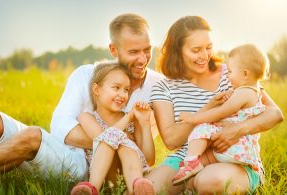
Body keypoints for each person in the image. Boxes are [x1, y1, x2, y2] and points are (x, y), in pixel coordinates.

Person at [0, 13, 163, 180]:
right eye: (133, 52)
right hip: (63, 151)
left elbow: (158, 149)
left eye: (147, 50)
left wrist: (109, 147)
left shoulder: (160, 87)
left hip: (87, 168)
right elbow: (60, 125)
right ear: (113, 49)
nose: (142, 59)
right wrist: (116, 142)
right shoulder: (87, 75)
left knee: (32, 135)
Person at [146, 16, 283, 194]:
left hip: (234, 158)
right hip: (188, 159)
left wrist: (237, 129)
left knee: (208, 181)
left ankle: (199, 185)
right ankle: (189, 182)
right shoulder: (163, 87)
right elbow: (172, 140)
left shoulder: (233, 72)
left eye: (209, 47)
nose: (205, 56)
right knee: (146, 189)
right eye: (196, 50)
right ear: (177, 50)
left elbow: (274, 113)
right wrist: (208, 108)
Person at [172, 44, 270, 186]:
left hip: (234, 147)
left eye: (230, 71)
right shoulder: (249, 92)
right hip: (235, 148)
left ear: (245, 74)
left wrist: (192, 118)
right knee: (196, 174)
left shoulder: (244, 92)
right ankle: (191, 175)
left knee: (202, 127)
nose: (227, 76)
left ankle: (191, 161)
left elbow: (220, 112)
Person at [70, 62, 155, 195]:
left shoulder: (134, 120)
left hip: (131, 176)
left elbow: (149, 159)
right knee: (116, 141)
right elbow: (106, 140)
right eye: (116, 88)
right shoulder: (86, 117)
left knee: (125, 145)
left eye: (126, 90)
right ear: (97, 90)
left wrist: (144, 124)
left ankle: (137, 189)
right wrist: (128, 119)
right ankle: (92, 189)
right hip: (104, 177)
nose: (122, 94)